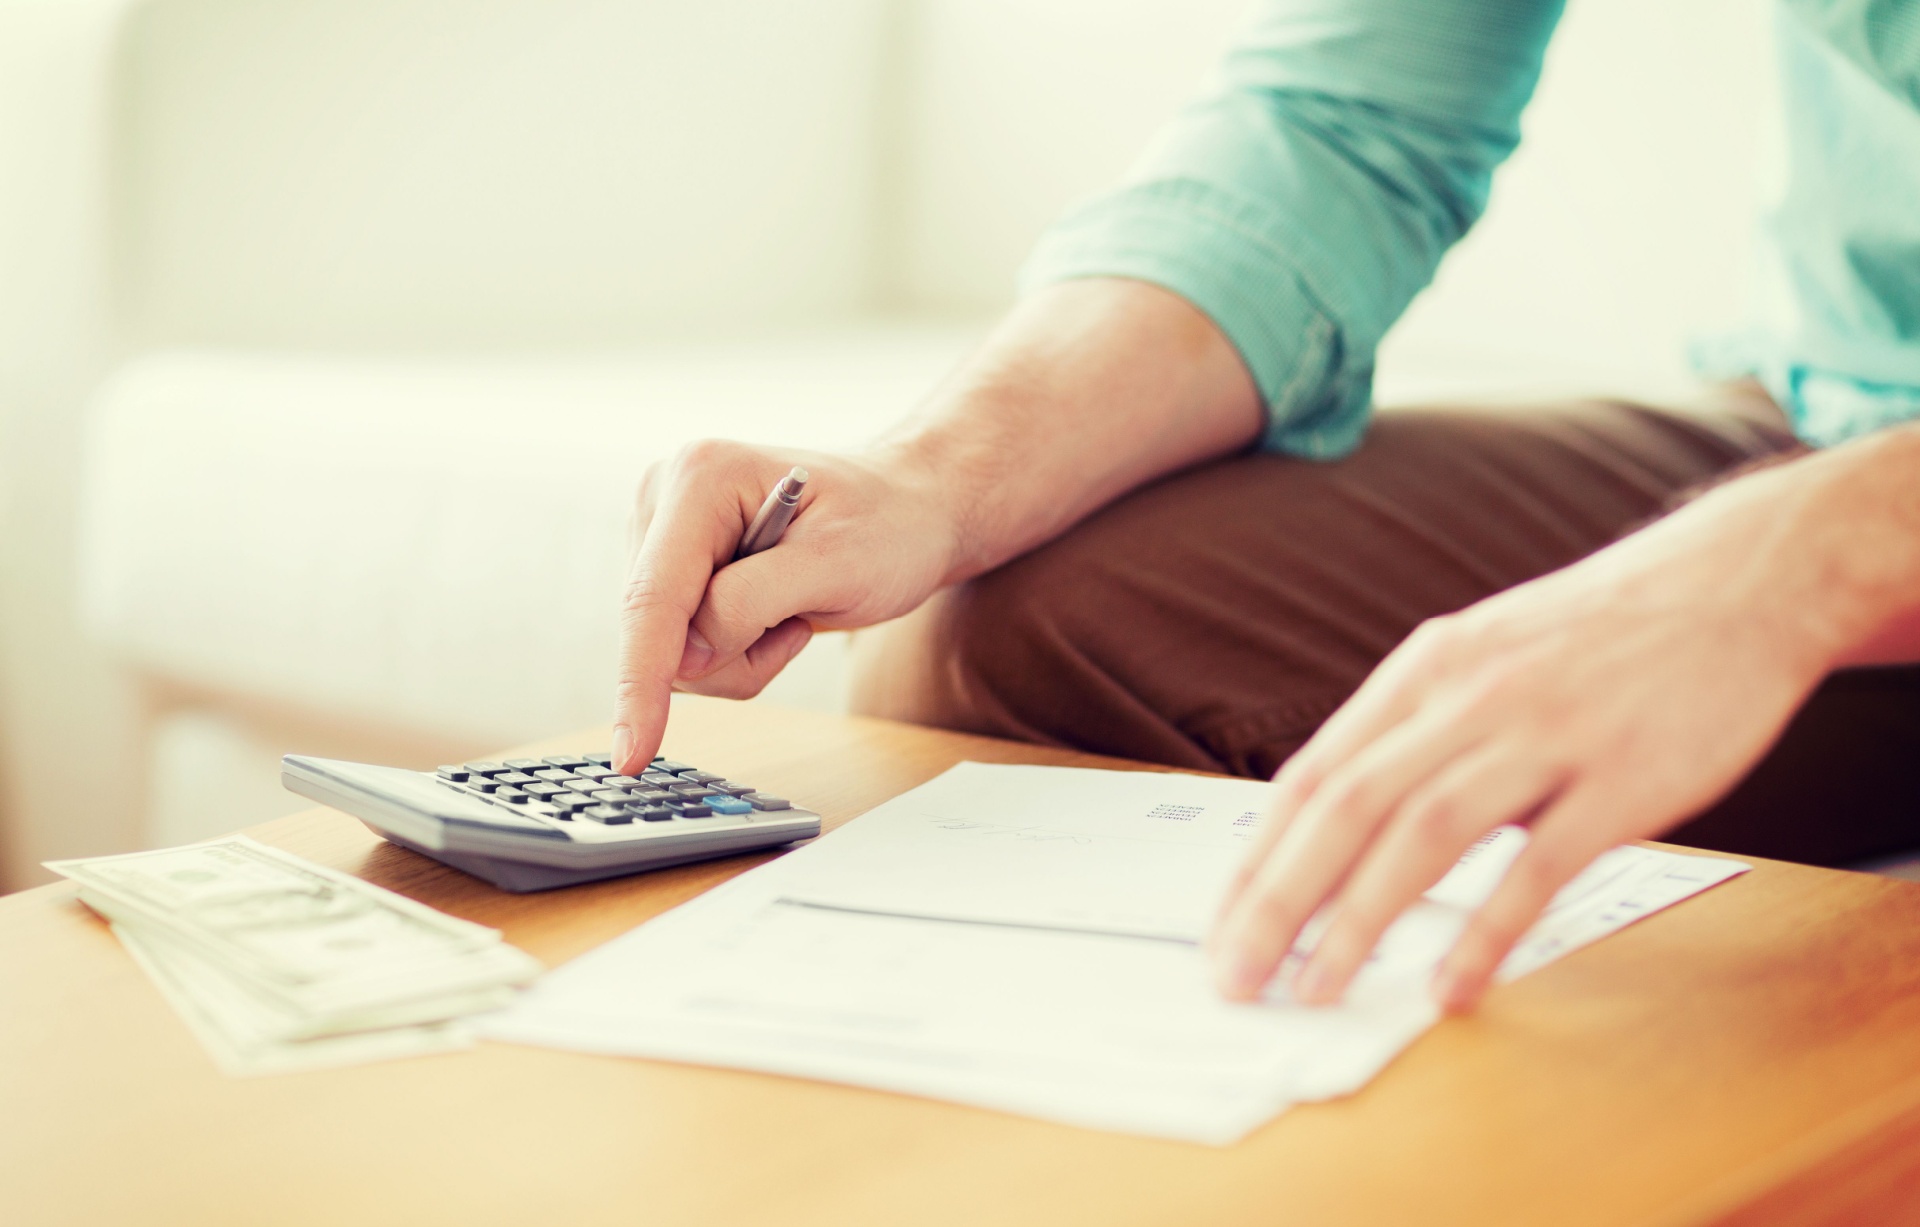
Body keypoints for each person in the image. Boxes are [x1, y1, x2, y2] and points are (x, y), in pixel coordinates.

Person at [611, 0, 1920, 1012]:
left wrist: (1803, 558)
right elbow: (1343, 124)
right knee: (1023, 628)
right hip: (1847, 407)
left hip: (1861, 503)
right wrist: (933, 473)